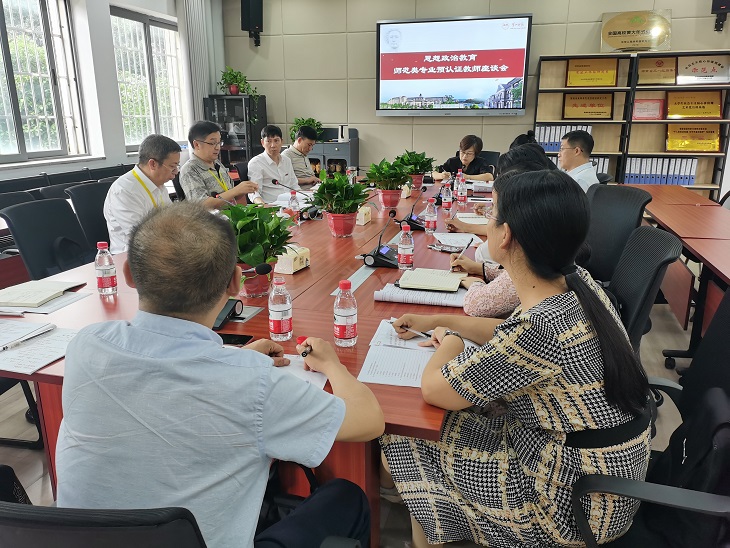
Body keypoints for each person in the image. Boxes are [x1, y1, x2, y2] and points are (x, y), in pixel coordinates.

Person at [55, 202, 384, 548]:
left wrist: (234, 359)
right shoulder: (254, 385)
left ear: (128, 275)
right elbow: (369, 421)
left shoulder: (86, 345)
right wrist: (332, 364)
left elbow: (163, 381)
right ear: (235, 282)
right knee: (346, 497)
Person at [384, 170, 651, 547]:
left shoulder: (540, 327)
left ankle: (428, 520)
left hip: (570, 505)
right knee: (463, 416)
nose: (487, 221)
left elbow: (435, 389)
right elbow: (509, 334)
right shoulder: (577, 282)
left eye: (491, 213)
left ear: (506, 234)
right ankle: (429, 513)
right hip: (602, 470)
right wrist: (443, 320)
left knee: (407, 434)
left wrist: (450, 340)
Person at [103, 134, 180, 254]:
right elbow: (140, 237)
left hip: (160, 248)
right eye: (172, 166)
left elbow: (172, 218)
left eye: (177, 166)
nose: (176, 172)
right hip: (133, 256)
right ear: (153, 164)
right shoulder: (125, 190)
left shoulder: (159, 183)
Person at [179, 120, 259, 209]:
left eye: (219, 143)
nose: (218, 147)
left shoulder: (217, 163)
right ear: (197, 144)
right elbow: (202, 205)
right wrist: (236, 190)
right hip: (211, 218)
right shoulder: (190, 169)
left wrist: (243, 189)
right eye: (212, 143)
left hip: (231, 214)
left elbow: (231, 195)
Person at [247, 125, 301, 204]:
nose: (273, 145)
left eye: (276, 141)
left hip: (290, 204)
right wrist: (262, 205)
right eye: (269, 141)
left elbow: (294, 185)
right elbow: (254, 192)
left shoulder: (287, 160)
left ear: (282, 142)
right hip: (271, 206)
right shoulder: (256, 163)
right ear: (262, 143)